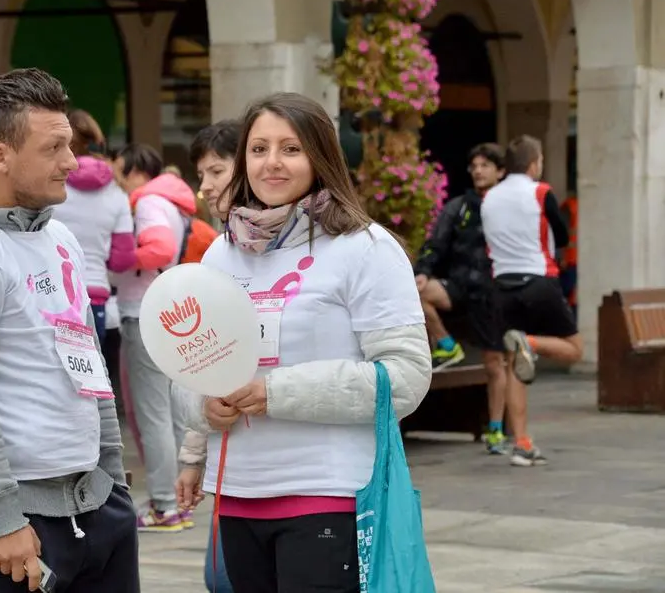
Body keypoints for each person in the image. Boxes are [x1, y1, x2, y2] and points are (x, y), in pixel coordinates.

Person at [183, 92, 432, 591]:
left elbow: (406, 377)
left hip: (328, 495)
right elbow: (191, 372)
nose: (271, 163)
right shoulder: (220, 255)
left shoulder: (366, 249)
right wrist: (202, 410)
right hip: (236, 496)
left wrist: (276, 393)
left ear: (320, 156)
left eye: (290, 149)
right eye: (258, 149)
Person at [0, 68, 137, 593]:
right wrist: (1, 517)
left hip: (95, 504)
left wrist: (113, 476)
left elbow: (86, 360)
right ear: (0, 156)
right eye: (53, 148)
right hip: (10, 524)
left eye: (70, 145)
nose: (72, 162)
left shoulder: (59, 236)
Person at [110, 144, 199, 531]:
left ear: (134, 170)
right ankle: (182, 501)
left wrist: (119, 260)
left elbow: (159, 248)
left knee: (154, 415)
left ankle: (165, 505)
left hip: (143, 311)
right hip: (168, 310)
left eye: (118, 170)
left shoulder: (147, 203)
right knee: (175, 412)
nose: (114, 177)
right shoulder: (172, 201)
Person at [481, 135, 583, 467]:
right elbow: (563, 235)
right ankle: (532, 342)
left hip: (503, 286)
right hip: (539, 280)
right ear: (534, 162)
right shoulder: (541, 192)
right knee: (574, 349)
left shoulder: (489, 198)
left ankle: (522, 443)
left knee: (514, 365)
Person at [175, 118, 240, 593]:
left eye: (216, 171)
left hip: (294, 473)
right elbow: (205, 364)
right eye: (202, 175)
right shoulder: (219, 253)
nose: (205, 188)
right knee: (221, 579)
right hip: (231, 460)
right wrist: (193, 456)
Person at [413, 143, 509, 453]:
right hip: (458, 287)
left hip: (490, 294)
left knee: (495, 363)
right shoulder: (460, 206)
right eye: (475, 165)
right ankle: (446, 344)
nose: (479, 171)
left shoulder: (509, 206)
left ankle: (495, 429)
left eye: (486, 165)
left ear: (501, 171)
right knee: (417, 292)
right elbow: (435, 243)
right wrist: (424, 270)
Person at [52, 109, 135, 343]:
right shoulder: (117, 191)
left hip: (52, 294)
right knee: (92, 376)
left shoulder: (49, 183)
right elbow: (123, 260)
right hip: (95, 294)